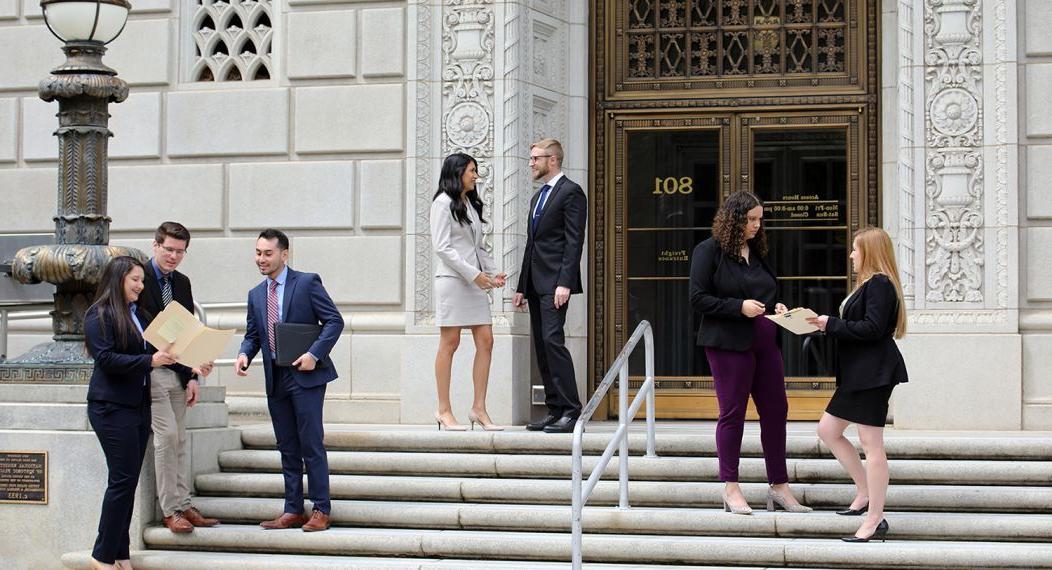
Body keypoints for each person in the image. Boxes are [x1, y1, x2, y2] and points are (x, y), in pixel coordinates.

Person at [688, 191, 811, 515]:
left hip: (765, 343)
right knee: (733, 413)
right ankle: (730, 487)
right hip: (728, 344)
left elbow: (766, 295)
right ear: (734, 219)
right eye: (751, 219)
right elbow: (698, 298)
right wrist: (737, 307)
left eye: (759, 219)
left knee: (776, 410)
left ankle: (779, 485)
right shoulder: (708, 251)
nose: (757, 225)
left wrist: (777, 308)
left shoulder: (757, 253)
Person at [235, 229, 344, 532]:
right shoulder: (256, 294)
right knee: (286, 445)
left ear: (284, 254)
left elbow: (334, 321)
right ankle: (293, 509)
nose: (261, 259)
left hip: (306, 375)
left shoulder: (307, 282)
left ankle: (321, 508)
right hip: (276, 378)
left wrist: (314, 354)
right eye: (258, 253)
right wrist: (244, 354)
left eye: (267, 253)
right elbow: (253, 334)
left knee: (311, 443)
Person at [807, 227, 909, 542]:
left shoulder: (880, 284)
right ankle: (864, 492)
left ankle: (875, 518)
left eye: (855, 249)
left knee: (871, 444)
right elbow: (860, 327)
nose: (851, 255)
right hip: (860, 373)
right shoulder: (869, 285)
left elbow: (872, 328)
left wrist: (830, 323)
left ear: (870, 252)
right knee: (828, 430)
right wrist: (824, 324)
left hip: (874, 374)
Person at [84, 256, 178, 570]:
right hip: (110, 408)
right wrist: (151, 362)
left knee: (127, 482)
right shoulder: (98, 315)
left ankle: (119, 554)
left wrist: (193, 362)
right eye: (134, 280)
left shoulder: (139, 314)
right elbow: (107, 359)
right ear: (118, 280)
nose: (140, 285)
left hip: (137, 406)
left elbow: (159, 351)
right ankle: (101, 556)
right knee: (122, 481)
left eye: (141, 280)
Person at [137, 222, 218, 533]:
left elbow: (187, 330)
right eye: (168, 249)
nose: (173, 256)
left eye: (179, 251)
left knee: (181, 439)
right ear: (155, 245)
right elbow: (142, 329)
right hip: (154, 369)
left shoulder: (182, 283)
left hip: (180, 372)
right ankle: (170, 511)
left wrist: (192, 377)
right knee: (167, 437)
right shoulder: (138, 277)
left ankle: (184, 504)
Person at [512, 138, 588, 434]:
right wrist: (521, 286)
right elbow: (532, 245)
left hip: (556, 283)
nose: (531, 163)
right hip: (534, 283)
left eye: (535, 158)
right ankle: (555, 409)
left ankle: (572, 409)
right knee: (542, 347)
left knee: (553, 342)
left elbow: (574, 241)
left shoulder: (571, 193)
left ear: (552, 159)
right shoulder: (537, 198)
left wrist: (565, 283)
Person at [430, 153, 507, 431]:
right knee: (449, 343)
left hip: (474, 282)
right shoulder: (442, 203)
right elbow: (442, 247)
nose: (475, 176)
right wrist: (474, 275)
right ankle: (443, 409)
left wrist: (491, 272)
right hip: (453, 281)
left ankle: (479, 408)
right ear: (458, 172)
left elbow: (478, 246)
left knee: (486, 340)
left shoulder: (469, 204)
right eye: (472, 171)